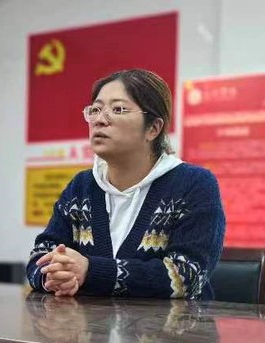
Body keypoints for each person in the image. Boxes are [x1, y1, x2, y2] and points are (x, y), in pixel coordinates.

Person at [26, 69, 225, 299]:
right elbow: (40, 255)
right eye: (95, 110)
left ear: (153, 128)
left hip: (174, 323)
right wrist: (53, 277)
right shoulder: (81, 187)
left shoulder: (193, 184)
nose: (99, 120)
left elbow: (186, 276)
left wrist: (91, 270)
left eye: (118, 109)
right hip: (89, 322)